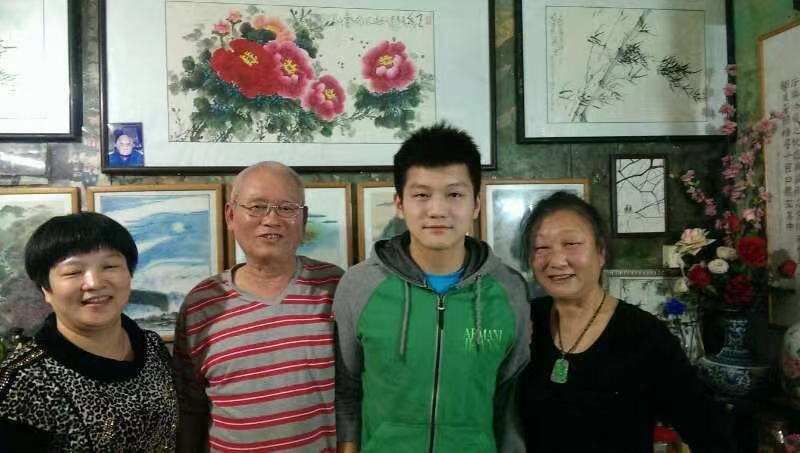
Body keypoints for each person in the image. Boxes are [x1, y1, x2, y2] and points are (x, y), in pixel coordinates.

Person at [335, 123, 530, 453]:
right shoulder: (359, 286)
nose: (437, 210)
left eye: (454, 194)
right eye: (422, 195)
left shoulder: (509, 290)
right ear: (400, 204)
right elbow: (347, 390)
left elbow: (509, 399)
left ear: (476, 204)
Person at [516, 191, 733, 452]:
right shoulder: (523, 320)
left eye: (571, 244)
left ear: (601, 252)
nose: (556, 260)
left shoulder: (644, 335)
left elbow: (708, 431)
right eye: (541, 248)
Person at [173, 161, 344, 452]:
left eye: (286, 208)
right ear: (230, 216)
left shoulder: (335, 286)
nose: (271, 219)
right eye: (257, 206)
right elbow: (190, 408)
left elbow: (356, 391)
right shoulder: (202, 303)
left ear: (303, 218)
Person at [0, 212, 177, 451]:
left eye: (110, 266)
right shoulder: (21, 381)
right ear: (45, 290)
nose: (94, 283)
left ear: (129, 275)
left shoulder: (151, 346)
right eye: (73, 272)